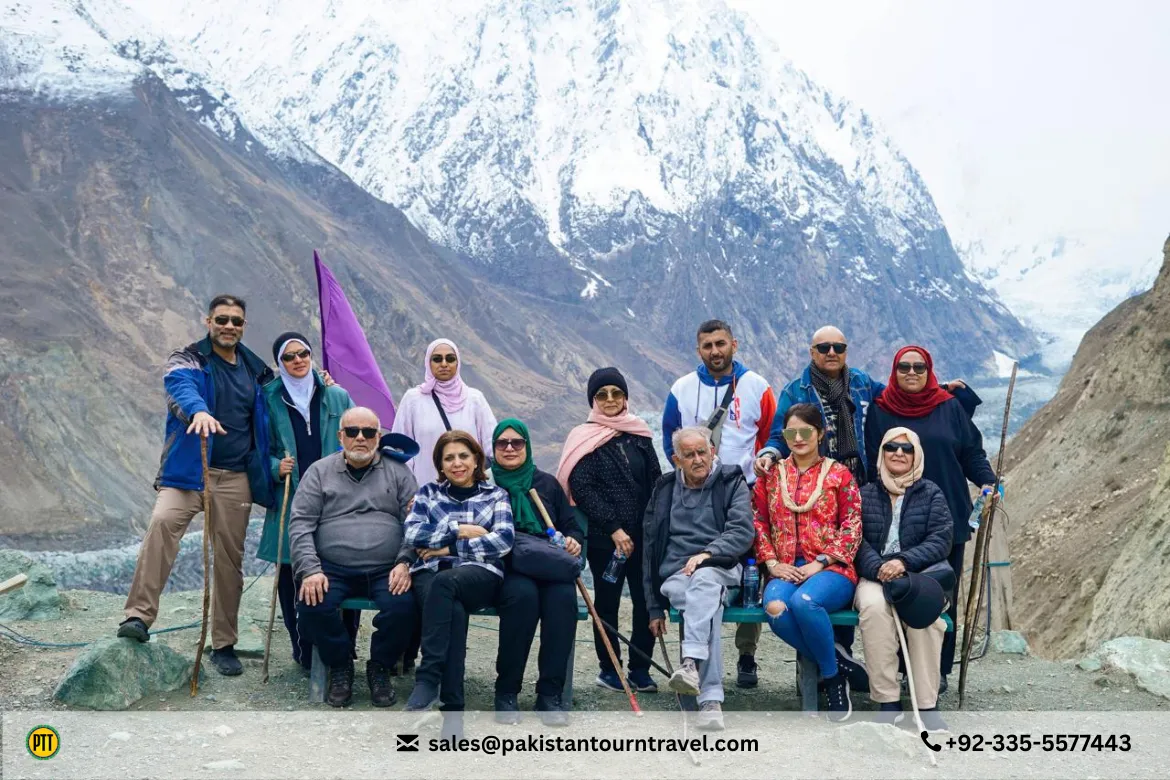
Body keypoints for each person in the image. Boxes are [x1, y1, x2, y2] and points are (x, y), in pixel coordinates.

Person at [118, 295, 275, 677]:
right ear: (208, 321)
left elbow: (286, 400)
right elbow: (178, 388)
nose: (229, 326)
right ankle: (138, 617)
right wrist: (199, 411)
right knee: (161, 525)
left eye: (236, 321)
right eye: (222, 319)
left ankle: (223, 643)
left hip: (235, 476)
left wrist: (321, 382)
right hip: (189, 472)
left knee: (229, 559)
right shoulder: (188, 359)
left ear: (243, 326)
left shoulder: (257, 371)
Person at [865, 345, 996, 691]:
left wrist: (987, 480)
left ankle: (935, 672)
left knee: (940, 593)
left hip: (945, 517)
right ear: (894, 371)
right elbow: (870, 461)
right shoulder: (881, 411)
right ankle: (899, 668)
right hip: (895, 516)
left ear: (929, 370)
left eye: (919, 367)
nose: (911, 372)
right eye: (904, 367)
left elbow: (971, 453)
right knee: (895, 592)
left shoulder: (949, 406)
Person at [662, 319, 776, 689]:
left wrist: (753, 476)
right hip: (698, 490)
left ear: (734, 345)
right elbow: (670, 438)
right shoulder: (682, 388)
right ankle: (703, 679)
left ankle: (747, 653)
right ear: (699, 350)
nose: (715, 351)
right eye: (708, 345)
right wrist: (693, 477)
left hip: (744, 490)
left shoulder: (756, 386)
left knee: (749, 568)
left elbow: (770, 434)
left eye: (721, 343)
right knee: (707, 577)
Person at [287, 407, 419, 707]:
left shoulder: (399, 472)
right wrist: (309, 569)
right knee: (312, 606)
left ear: (378, 436)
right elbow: (300, 524)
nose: (361, 438)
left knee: (405, 608)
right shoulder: (319, 471)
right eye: (352, 432)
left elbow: (417, 523)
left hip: (388, 568)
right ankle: (340, 662)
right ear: (340, 436)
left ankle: (380, 666)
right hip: (332, 568)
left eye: (369, 432)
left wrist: (405, 561)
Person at [257, 332, 359, 673]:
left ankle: (345, 646)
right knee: (290, 572)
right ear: (279, 363)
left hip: (338, 496)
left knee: (344, 567)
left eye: (303, 353)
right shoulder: (268, 400)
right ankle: (302, 647)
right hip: (291, 494)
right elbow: (258, 449)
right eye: (289, 357)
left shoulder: (336, 395)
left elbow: (357, 439)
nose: (298, 360)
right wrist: (275, 467)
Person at [753, 403, 862, 721]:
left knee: (804, 601)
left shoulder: (840, 475)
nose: (798, 438)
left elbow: (853, 524)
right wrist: (771, 562)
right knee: (774, 607)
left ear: (820, 433)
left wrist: (822, 561)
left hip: (832, 568)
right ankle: (838, 666)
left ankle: (831, 680)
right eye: (791, 432)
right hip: (784, 566)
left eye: (805, 432)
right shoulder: (772, 475)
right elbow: (757, 518)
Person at [557, 367, 662, 695]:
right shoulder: (584, 437)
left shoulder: (640, 434)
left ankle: (640, 669)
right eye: (602, 394)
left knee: (646, 601)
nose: (610, 400)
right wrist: (614, 529)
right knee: (607, 603)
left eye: (616, 393)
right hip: (607, 541)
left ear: (626, 397)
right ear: (593, 400)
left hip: (643, 537)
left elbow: (656, 480)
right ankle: (610, 668)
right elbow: (582, 487)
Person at [645, 427, 755, 731]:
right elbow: (650, 547)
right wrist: (655, 606)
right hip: (677, 576)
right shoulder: (665, 489)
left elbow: (742, 532)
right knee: (706, 603)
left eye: (702, 452)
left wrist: (707, 554)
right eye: (689, 454)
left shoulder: (731, 482)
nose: (697, 459)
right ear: (676, 459)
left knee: (705, 582)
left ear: (713, 451)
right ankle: (710, 700)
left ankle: (691, 663)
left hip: (721, 568)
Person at [404, 431, 515, 714]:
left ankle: (428, 678)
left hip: (479, 573)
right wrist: (459, 531)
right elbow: (413, 532)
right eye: (449, 458)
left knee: (445, 585)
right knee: (451, 610)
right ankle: (453, 709)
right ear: (440, 465)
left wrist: (447, 548)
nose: (457, 464)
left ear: (476, 460)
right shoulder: (428, 493)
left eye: (464, 456)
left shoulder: (496, 495)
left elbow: (502, 541)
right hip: (431, 573)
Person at [855, 427, 952, 731]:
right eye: (891, 447)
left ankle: (926, 704)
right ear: (881, 453)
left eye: (906, 449)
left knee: (928, 620)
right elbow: (855, 540)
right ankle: (888, 701)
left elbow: (941, 538)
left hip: (916, 574)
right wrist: (878, 568)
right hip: (874, 575)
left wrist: (903, 562)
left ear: (916, 456)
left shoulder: (931, 493)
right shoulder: (865, 493)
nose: (898, 453)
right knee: (873, 609)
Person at [491, 418, 584, 727]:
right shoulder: (487, 483)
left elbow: (570, 525)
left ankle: (549, 695)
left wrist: (572, 541)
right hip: (509, 565)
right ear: (493, 448)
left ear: (527, 446)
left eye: (516, 442)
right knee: (522, 599)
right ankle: (506, 692)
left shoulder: (547, 483)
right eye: (502, 443)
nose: (509, 448)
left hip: (550, 562)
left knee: (562, 602)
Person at [392, 338, 498, 486]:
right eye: (437, 359)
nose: (444, 364)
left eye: (450, 358)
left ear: (458, 363)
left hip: (469, 492)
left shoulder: (474, 399)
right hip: (426, 492)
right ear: (428, 363)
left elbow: (492, 446)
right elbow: (401, 449)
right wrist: (408, 489)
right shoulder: (413, 399)